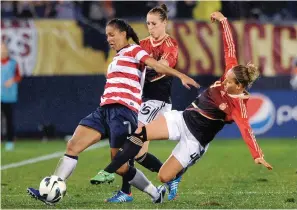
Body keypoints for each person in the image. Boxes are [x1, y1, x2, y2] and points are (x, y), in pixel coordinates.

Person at [93, 12, 273, 195]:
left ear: (239, 86)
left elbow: (247, 130)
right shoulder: (231, 70)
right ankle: (108, 171)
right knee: (139, 134)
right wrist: (224, 21)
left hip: (195, 140)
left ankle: (177, 174)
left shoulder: (238, 107)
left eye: (228, 82)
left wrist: (257, 155)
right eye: (225, 78)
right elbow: (230, 47)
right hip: (182, 119)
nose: (224, 82)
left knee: (163, 177)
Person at [27, 18, 198, 205]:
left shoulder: (135, 50)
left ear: (123, 34)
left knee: (121, 167)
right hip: (103, 111)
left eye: (112, 34)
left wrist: (180, 75)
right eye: (106, 35)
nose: (108, 39)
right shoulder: (116, 58)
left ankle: (155, 194)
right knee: (72, 146)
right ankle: (51, 192)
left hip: (124, 111)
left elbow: (157, 65)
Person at [90, 4, 182, 203]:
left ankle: (126, 192)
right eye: (148, 23)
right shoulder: (143, 44)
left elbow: (163, 67)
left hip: (158, 100)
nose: (151, 27)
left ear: (164, 23)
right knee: (138, 153)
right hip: (141, 100)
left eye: (154, 23)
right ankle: (173, 175)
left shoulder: (170, 44)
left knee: (131, 139)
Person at [1, 42, 22, 151]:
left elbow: (18, 76)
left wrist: (12, 80)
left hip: (8, 96)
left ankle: (9, 141)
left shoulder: (13, 63)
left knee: (9, 120)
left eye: (4, 49)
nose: (3, 51)